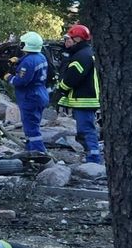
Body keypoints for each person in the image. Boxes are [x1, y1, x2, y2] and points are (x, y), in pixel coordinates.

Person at [58, 24, 102, 164]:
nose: (65, 42)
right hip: (86, 98)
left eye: (68, 39)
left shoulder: (81, 56)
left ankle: (93, 160)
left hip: (85, 99)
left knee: (86, 130)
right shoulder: (87, 53)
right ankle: (91, 157)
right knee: (85, 130)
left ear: (77, 39)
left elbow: (72, 78)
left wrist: (61, 89)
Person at [7, 31, 49, 154]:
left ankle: (38, 153)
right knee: (33, 124)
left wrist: (9, 77)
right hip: (40, 94)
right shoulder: (41, 57)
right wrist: (18, 60)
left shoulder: (28, 62)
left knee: (31, 128)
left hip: (30, 96)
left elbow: (21, 81)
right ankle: (30, 149)